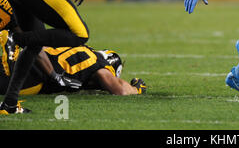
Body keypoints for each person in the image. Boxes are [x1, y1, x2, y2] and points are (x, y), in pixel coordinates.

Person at [0, 34, 147, 96]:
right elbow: (119, 89)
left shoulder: (80, 47)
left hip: (20, 58)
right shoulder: (98, 63)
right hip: (30, 78)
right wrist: (136, 89)